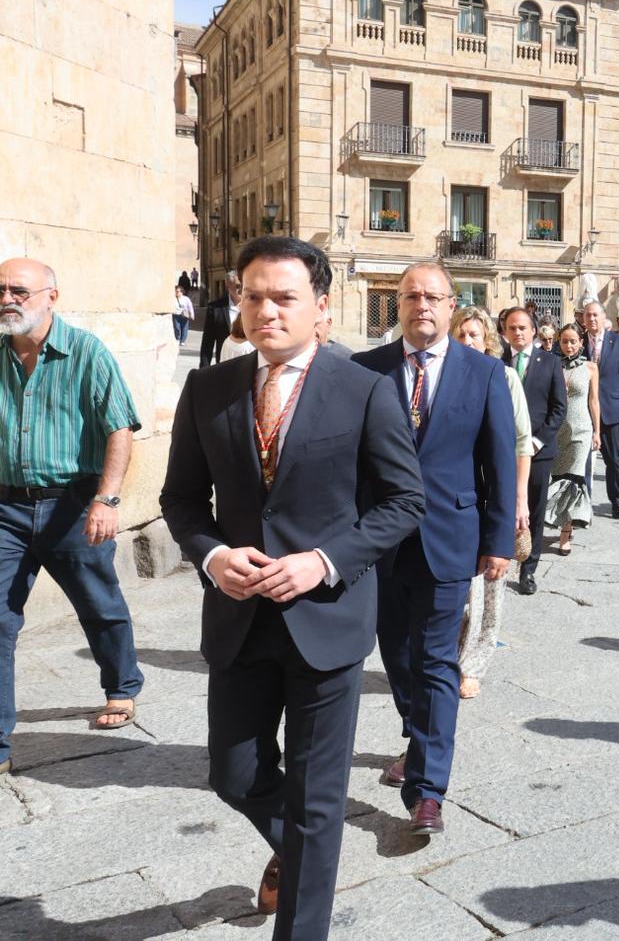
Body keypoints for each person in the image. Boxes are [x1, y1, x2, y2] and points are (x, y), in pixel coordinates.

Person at [160, 236, 424, 935]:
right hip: (239, 620)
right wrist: (214, 557)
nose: (266, 311)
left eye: (284, 298)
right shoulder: (208, 388)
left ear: (321, 307)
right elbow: (181, 499)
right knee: (234, 775)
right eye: (253, 297)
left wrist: (323, 561)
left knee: (317, 801)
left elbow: (404, 501)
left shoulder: (364, 389)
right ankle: (306, 852)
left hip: (328, 621)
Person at [353, 262, 516, 836]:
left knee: (437, 661)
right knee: (397, 655)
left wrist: (499, 541)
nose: (421, 304)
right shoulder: (365, 369)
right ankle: (417, 735)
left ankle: (427, 791)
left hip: (450, 536)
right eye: (411, 296)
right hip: (379, 543)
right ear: (397, 305)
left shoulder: (485, 372)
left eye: (433, 296)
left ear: (451, 305)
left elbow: (499, 461)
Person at [1, 256, 145, 780]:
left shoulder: (86, 351)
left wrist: (107, 500)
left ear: (51, 297)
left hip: (74, 503)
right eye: (0, 290)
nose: (7, 299)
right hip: (6, 507)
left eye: (18, 290)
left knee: (98, 602)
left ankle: (122, 686)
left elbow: (119, 428)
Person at [449, 307, 534, 699]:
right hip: (456, 498)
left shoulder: (505, 377)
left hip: (493, 496)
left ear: (488, 342)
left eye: (475, 335)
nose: (468, 341)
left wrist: (519, 500)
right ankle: (448, 659)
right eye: (461, 334)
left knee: (491, 587)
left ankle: (473, 665)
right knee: (459, 590)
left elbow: (521, 443)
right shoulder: (443, 376)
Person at [501, 307, 567, 594]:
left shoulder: (550, 362)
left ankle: (528, 569)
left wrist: (538, 441)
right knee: (503, 505)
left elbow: (559, 408)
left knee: (535, 510)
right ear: (504, 332)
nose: (517, 333)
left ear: (533, 331)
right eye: (511, 328)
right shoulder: (496, 361)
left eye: (522, 328)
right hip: (504, 450)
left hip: (538, 450)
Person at [580, 300, 619, 520]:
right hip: (582, 409)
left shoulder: (617, 341)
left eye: (595, 315)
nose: (592, 319)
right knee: (581, 460)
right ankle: (581, 504)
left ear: (604, 318)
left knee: (613, 460)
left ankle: (616, 501)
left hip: (611, 409)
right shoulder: (578, 341)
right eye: (588, 315)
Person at [546, 324, 600, 555]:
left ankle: (565, 532)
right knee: (558, 477)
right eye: (564, 341)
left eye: (573, 341)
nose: (569, 346)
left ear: (581, 343)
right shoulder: (552, 365)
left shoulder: (590, 367)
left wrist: (597, 431)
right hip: (556, 431)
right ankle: (559, 518)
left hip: (581, 430)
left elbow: (594, 401)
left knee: (573, 480)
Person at [198, 272, 242, 367]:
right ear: (227, 285)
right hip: (224, 362)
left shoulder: (253, 306)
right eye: (238, 286)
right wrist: (204, 370)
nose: (241, 289)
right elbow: (207, 343)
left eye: (244, 285)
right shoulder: (215, 308)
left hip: (249, 363)